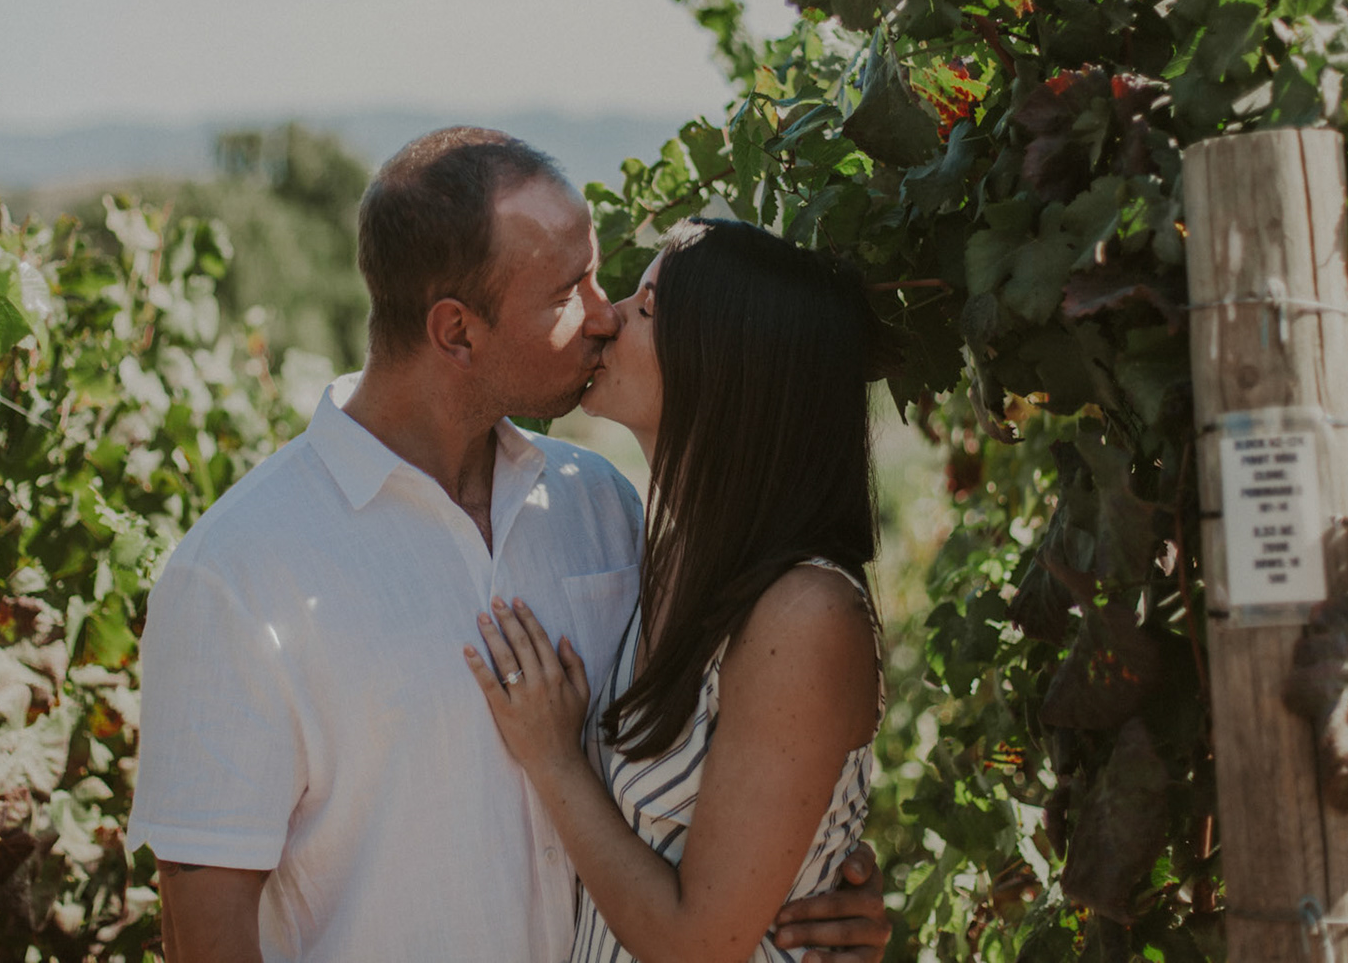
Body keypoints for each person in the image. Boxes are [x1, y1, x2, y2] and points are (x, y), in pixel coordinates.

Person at [127, 129, 891, 962]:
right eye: (572, 291)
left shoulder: (599, 505)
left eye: (613, 285)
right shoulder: (236, 573)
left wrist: (810, 874)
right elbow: (207, 927)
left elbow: (726, 806)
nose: (603, 316)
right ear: (456, 332)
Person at [464, 217, 885, 963]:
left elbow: (700, 944)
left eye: (647, 307)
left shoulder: (806, 612)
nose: (605, 318)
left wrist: (554, 759)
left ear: (728, 364)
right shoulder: (670, 557)